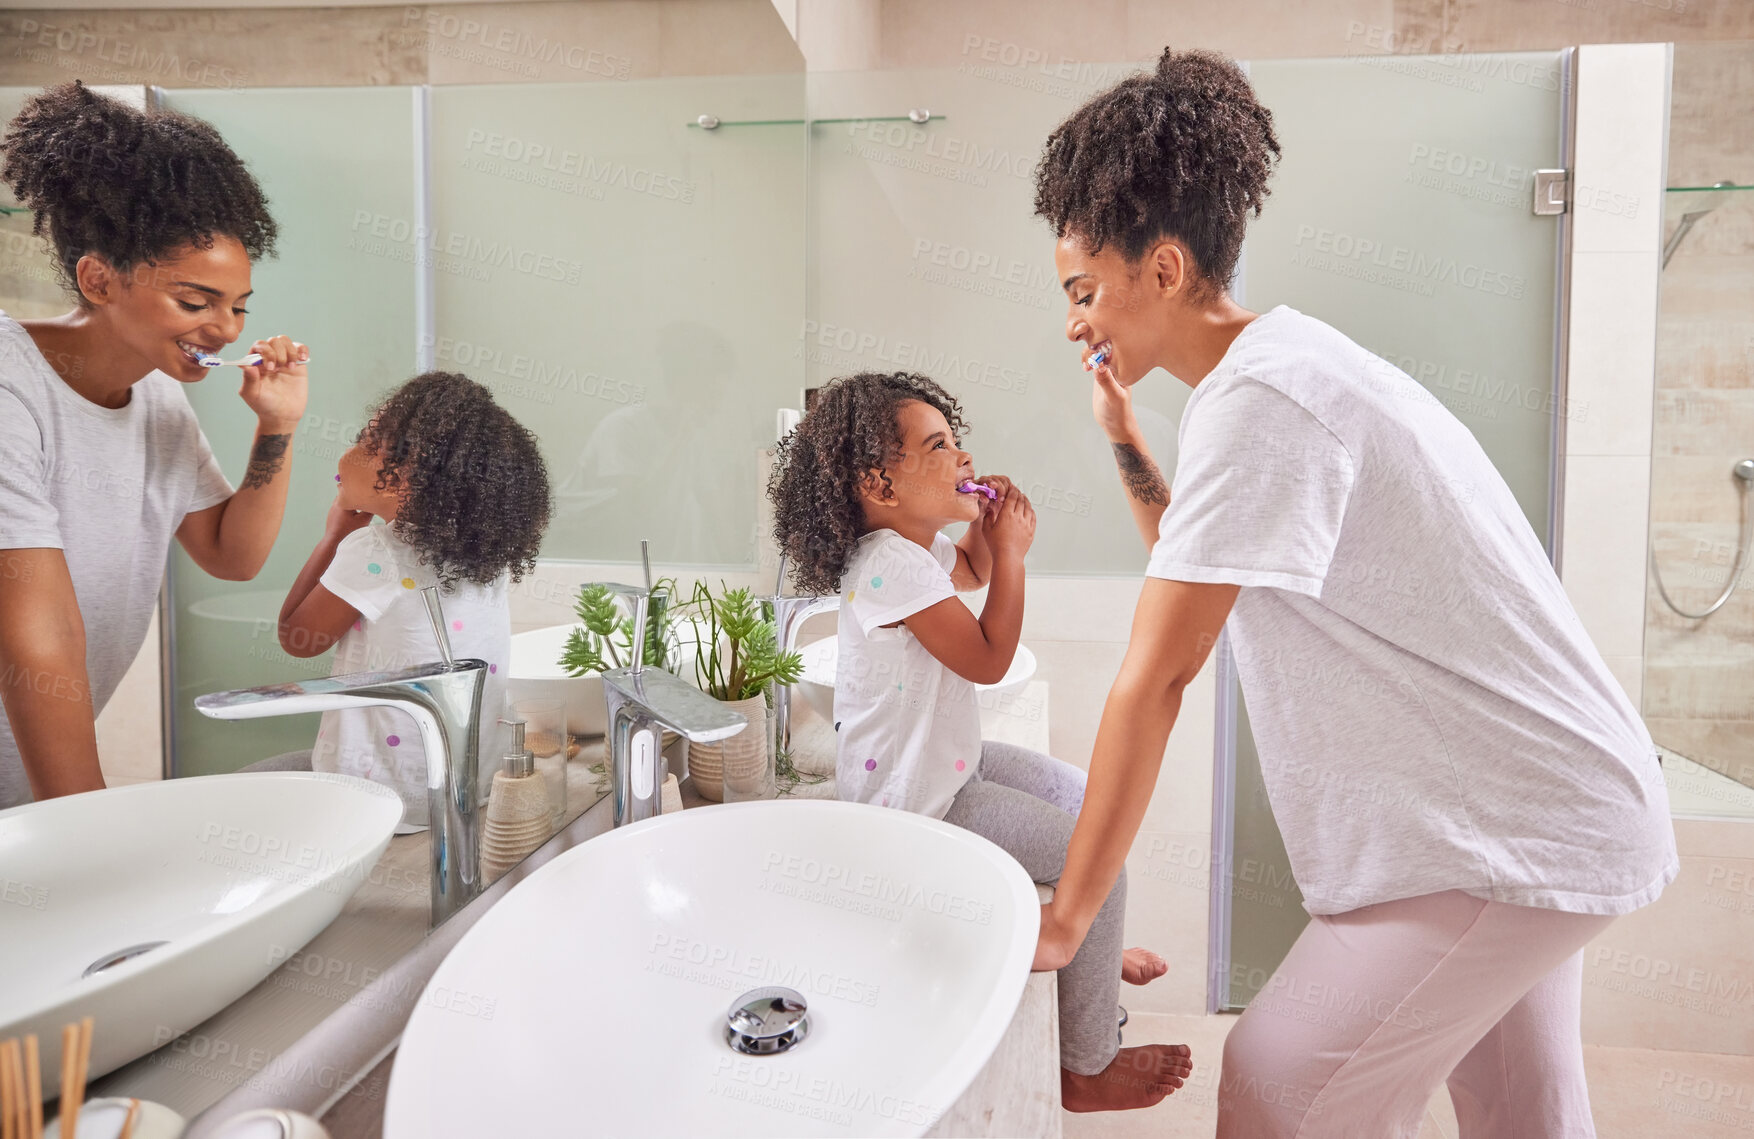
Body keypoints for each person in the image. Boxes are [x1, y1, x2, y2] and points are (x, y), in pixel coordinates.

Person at [1029, 48, 1677, 1136]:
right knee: (1519, 1102)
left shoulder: (1260, 402)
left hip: (1498, 824)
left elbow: (1160, 672)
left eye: (1081, 290)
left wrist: (1069, 914)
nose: (1072, 322)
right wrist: (1126, 441)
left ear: (1165, 267)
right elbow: (1199, 568)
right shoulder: (1281, 373)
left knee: (1279, 1085)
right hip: (1538, 802)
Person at [767, 370, 1193, 1111]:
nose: (963, 456)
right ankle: (1086, 1067)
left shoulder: (911, 551)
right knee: (1093, 857)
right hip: (921, 801)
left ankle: (1089, 941)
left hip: (943, 765)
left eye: (957, 440)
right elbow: (991, 655)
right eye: (938, 445)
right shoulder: (888, 568)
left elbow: (966, 571)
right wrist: (1016, 556)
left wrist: (986, 534)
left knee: (1085, 799)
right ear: (881, 483)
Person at [0, 80, 308, 808]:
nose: (227, 330)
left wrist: (278, 427)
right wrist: (92, 824)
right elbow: (37, 634)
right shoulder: (12, 386)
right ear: (99, 279)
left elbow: (231, 555)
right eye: (195, 302)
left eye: (238, 307)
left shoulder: (159, 397)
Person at [277, 371, 551, 829]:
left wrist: (336, 533)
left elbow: (297, 637)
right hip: (470, 785)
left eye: (367, 443)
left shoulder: (377, 551)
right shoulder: (486, 555)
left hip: (375, 796)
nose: (348, 455)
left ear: (410, 479)